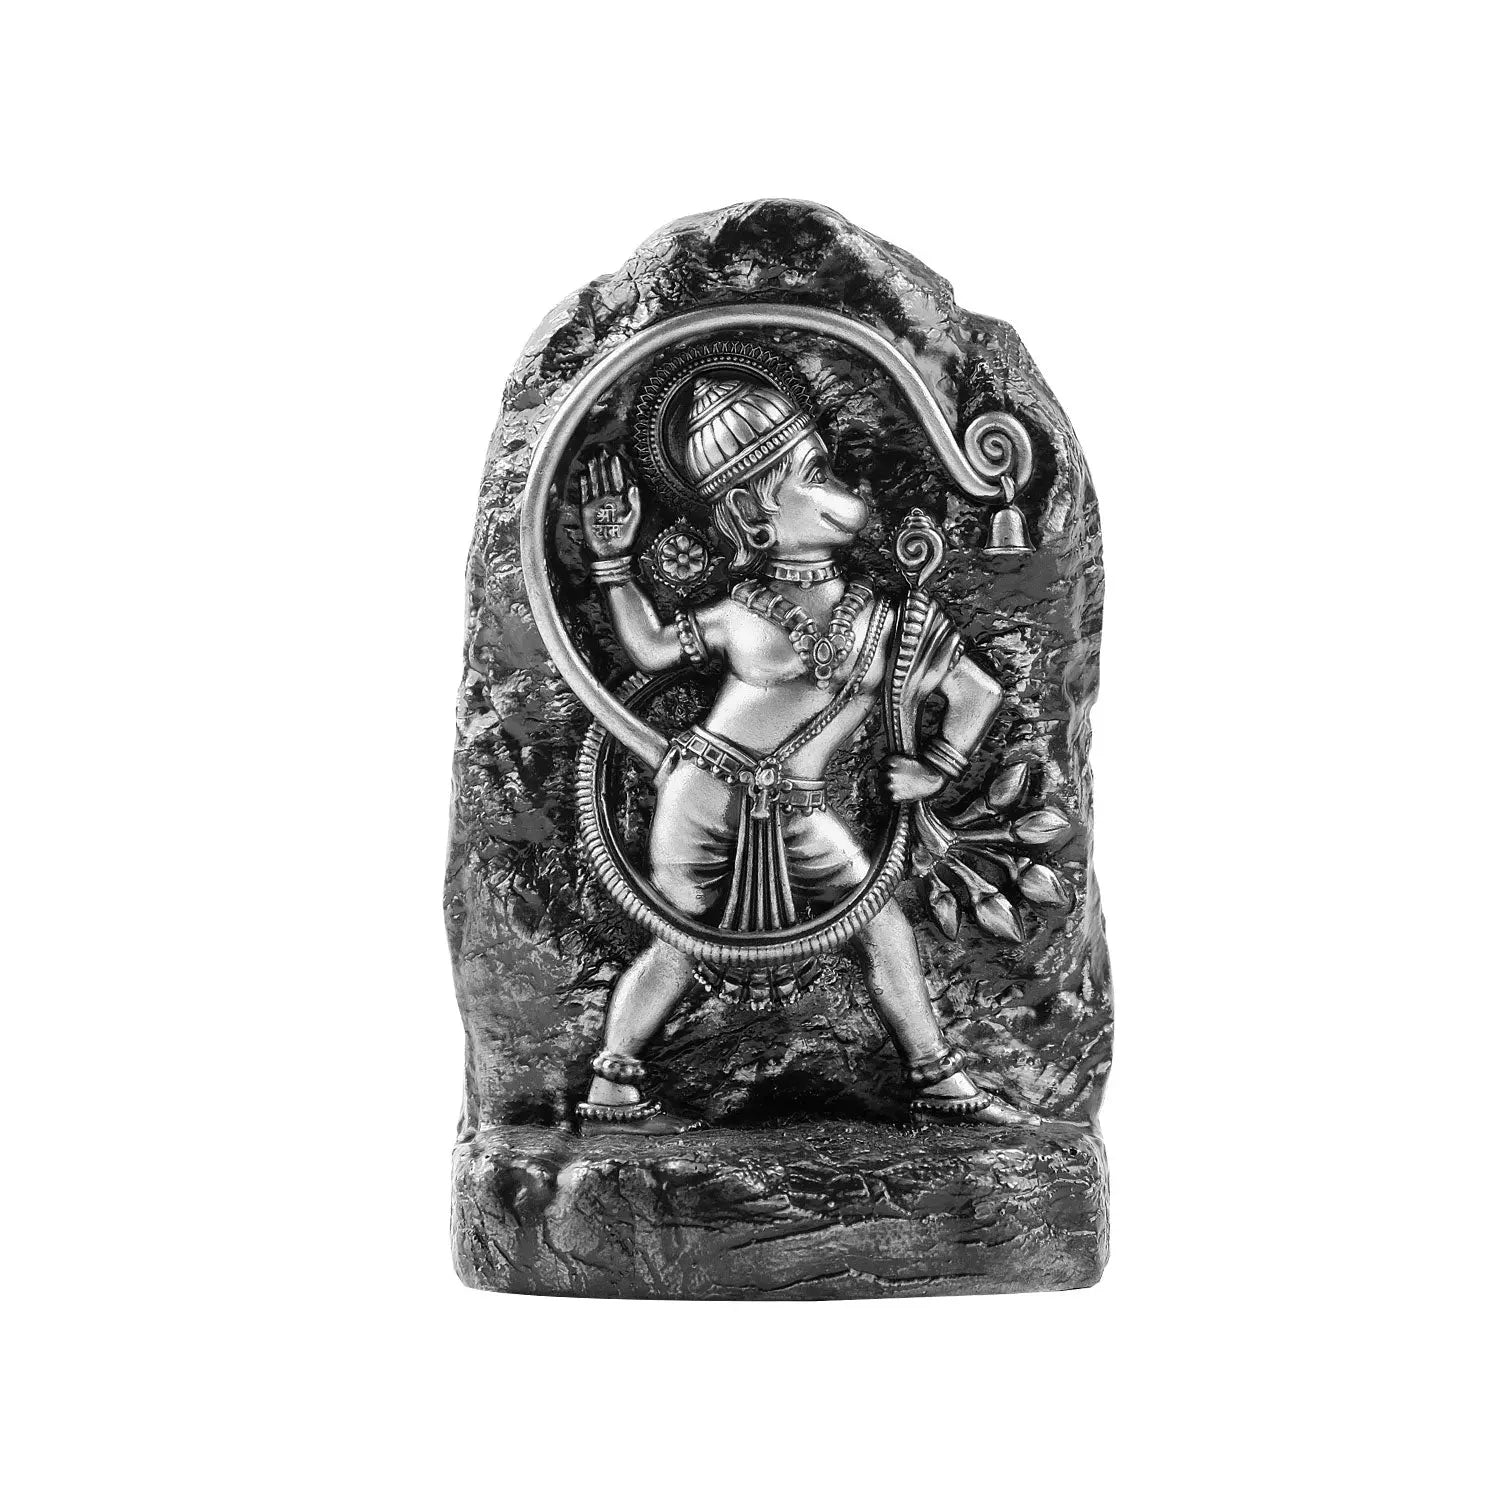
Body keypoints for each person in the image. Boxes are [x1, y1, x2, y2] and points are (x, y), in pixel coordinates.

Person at [577, 370, 1021, 1132]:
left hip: (799, 809)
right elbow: (648, 651)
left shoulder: (888, 620)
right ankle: (611, 1084)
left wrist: (935, 769)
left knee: (880, 922)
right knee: (677, 937)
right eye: (814, 475)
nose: (842, 491)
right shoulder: (738, 612)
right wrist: (612, 564)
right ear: (752, 516)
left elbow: (978, 692)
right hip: (700, 793)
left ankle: (938, 1077)